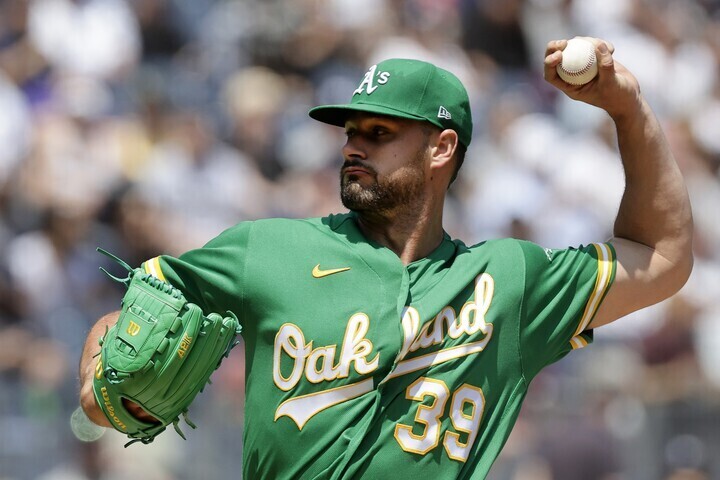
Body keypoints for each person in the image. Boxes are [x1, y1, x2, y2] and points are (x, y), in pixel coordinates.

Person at [79, 38, 693, 479]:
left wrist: (627, 108)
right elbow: (137, 305)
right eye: (350, 132)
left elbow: (662, 255)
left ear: (441, 147)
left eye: (379, 133)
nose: (352, 147)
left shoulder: (509, 279)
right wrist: (97, 377)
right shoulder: (268, 249)